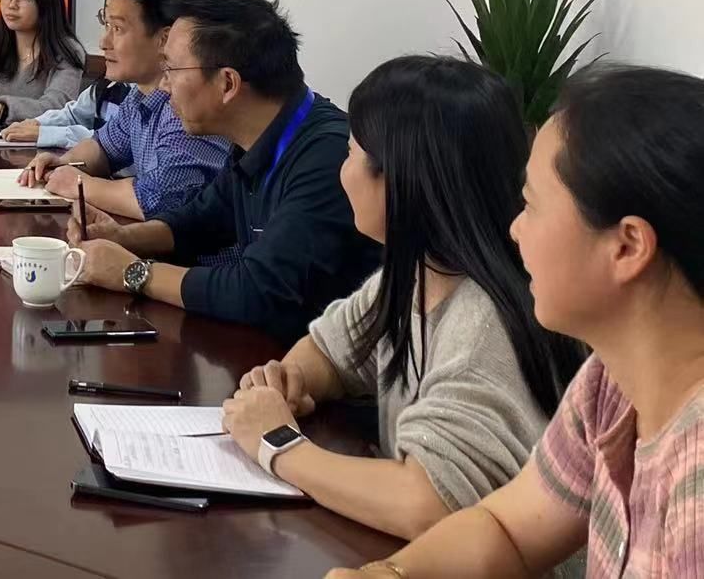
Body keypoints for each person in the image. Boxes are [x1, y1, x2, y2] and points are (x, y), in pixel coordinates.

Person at [326, 64, 704, 579]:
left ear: (627, 246)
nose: (515, 229)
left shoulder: (694, 477)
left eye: (531, 205)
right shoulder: (609, 385)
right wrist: (387, 574)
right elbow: (505, 528)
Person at [218, 56, 583, 542]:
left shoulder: (483, 326)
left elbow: (430, 504)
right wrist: (290, 380)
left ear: (402, 180)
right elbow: (332, 349)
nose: (342, 172)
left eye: (350, 153)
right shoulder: (418, 272)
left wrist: (278, 443)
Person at [68, 0, 380, 344]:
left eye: (171, 69)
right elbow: (204, 218)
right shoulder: (264, 133)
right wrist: (123, 238)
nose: (164, 86)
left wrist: (134, 273)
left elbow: (259, 290)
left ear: (227, 83)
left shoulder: (327, 158)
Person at [17, 0, 231, 222]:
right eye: (105, 25)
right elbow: (105, 148)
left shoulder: (188, 104)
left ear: (165, 40)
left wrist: (80, 184)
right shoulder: (140, 95)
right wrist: (64, 163)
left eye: (117, 29)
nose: (103, 43)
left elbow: (158, 200)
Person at [0, 76, 129, 150]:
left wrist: (47, 134)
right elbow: (74, 115)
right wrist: (37, 123)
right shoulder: (110, 85)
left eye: (117, 36)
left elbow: (112, 142)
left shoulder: (138, 98)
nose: (103, 44)